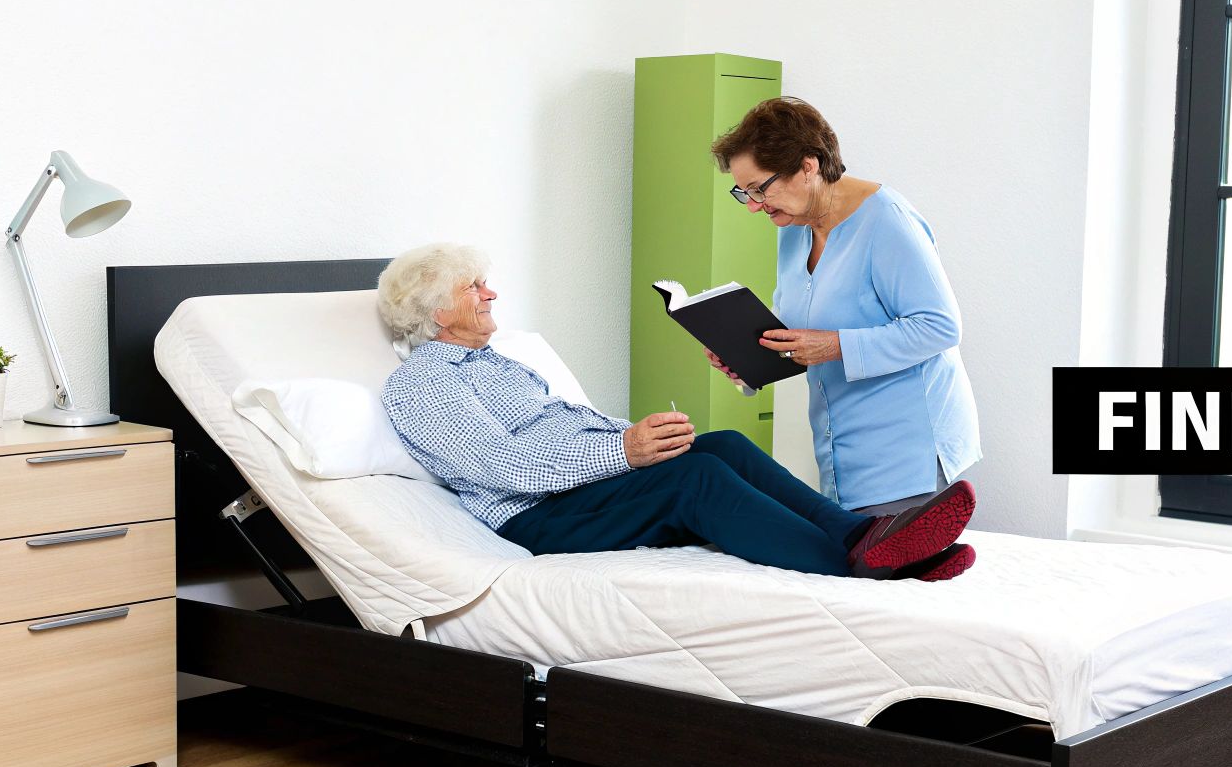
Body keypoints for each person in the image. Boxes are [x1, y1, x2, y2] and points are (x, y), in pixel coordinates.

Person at [376, 243, 978, 582]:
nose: (490, 293)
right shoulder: (424, 381)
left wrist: (642, 441)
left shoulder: (499, 362)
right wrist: (624, 451)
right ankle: (859, 571)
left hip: (580, 493)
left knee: (721, 446)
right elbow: (502, 466)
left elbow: (566, 435)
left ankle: (863, 536)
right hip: (536, 517)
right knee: (697, 478)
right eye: (472, 287)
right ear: (436, 311)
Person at [707, 97, 981, 519]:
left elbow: (940, 327)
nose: (754, 205)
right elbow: (798, 330)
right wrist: (746, 360)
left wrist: (833, 346)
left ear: (808, 166)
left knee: (880, 561)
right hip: (841, 457)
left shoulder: (887, 221)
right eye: (744, 191)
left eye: (761, 188)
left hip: (907, 455)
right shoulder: (794, 227)